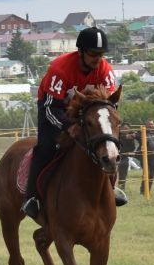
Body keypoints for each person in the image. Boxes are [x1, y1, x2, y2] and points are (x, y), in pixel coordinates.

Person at [22, 26, 125, 224]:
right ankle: (32, 197)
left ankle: (111, 188)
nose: (98, 59)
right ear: (81, 52)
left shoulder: (105, 71)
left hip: (88, 115)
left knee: (107, 145)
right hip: (55, 110)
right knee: (46, 148)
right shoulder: (60, 70)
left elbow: (110, 105)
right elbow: (50, 109)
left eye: (101, 54)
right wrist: (68, 126)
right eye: (93, 54)